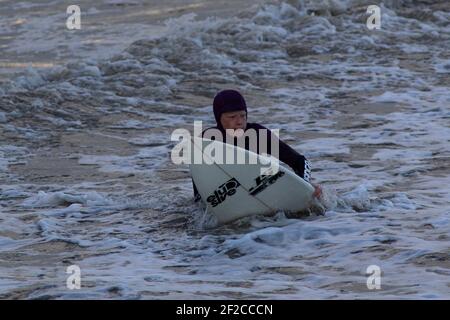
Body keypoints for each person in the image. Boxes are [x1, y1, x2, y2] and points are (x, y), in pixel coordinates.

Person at [193, 89, 322, 201]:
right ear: (219, 118)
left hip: (260, 188)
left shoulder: (258, 134)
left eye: (243, 116)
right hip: (225, 195)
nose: (239, 122)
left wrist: (305, 185)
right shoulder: (207, 140)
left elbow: (300, 161)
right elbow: (199, 187)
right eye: (232, 117)